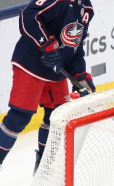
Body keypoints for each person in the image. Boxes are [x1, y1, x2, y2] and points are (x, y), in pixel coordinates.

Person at [0, 0, 95, 173]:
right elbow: (28, 15)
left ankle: (43, 168)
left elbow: (76, 46)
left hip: (57, 72)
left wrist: (79, 74)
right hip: (31, 66)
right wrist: (47, 46)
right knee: (19, 118)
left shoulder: (87, 9)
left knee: (57, 118)